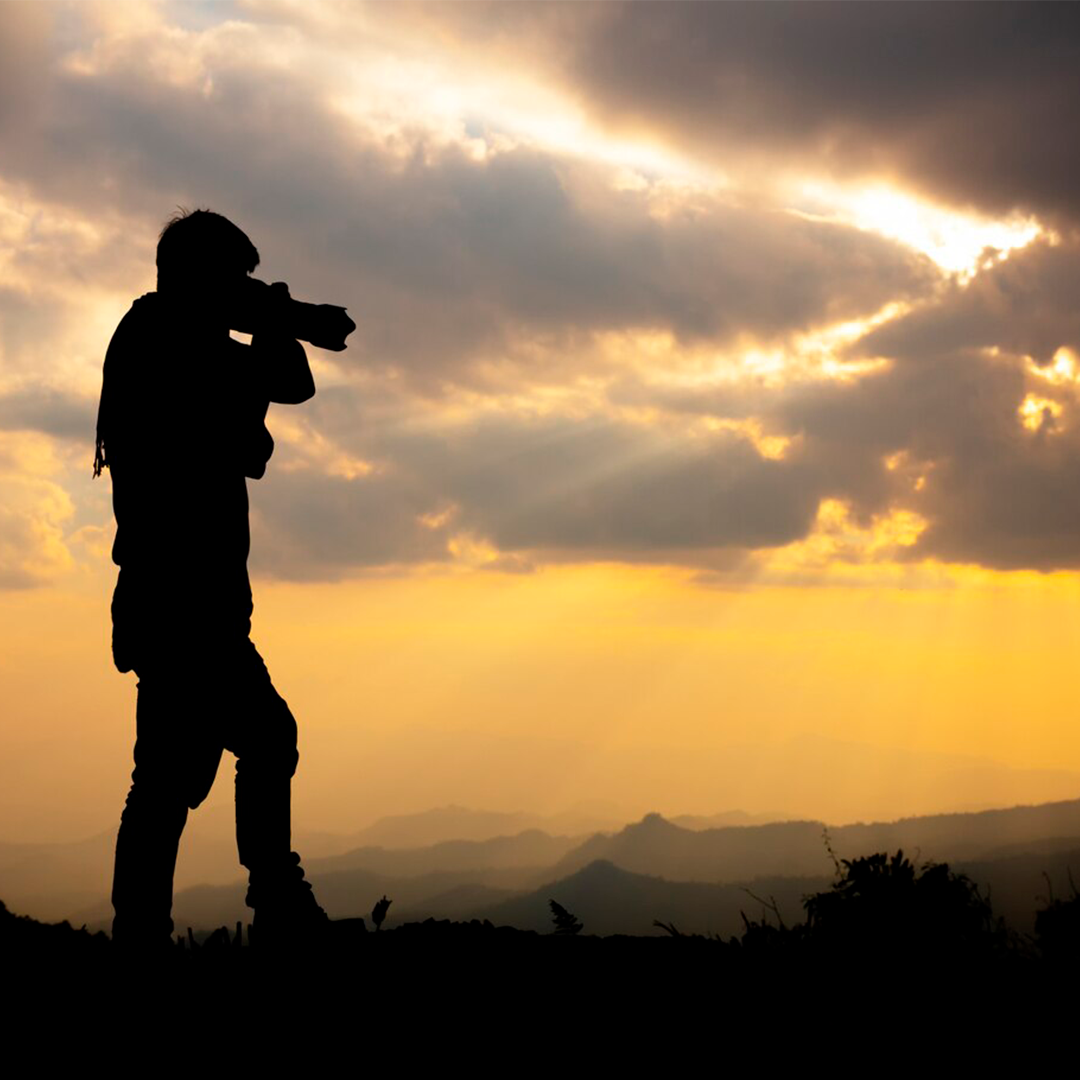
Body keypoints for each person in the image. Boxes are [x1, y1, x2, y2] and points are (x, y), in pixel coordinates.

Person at [94, 209, 327, 950]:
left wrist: (268, 317)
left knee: (166, 779)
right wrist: (278, 315)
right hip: (187, 600)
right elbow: (290, 381)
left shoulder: (155, 338)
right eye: (236, 278)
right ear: (201, 277)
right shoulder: (177, 347)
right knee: (261, 739)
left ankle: (143, 933)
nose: (244, 291)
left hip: (173, 599)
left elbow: (284, 385)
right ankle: (274, 899)